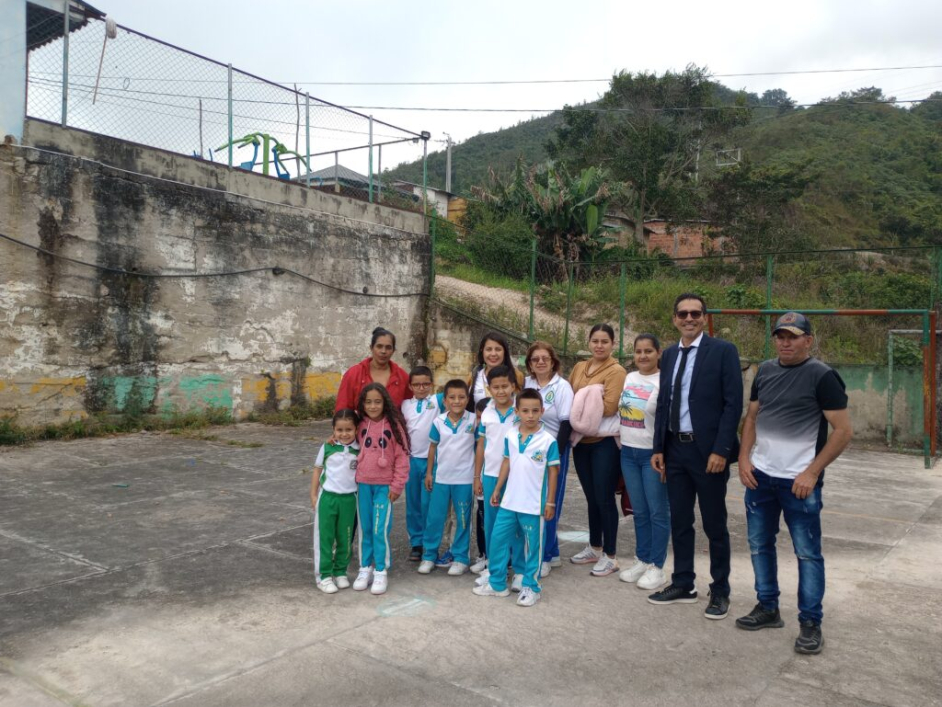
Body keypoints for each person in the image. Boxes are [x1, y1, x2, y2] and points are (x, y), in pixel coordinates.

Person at [736, 312, 853, 655]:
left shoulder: (823, 376)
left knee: (807, 553)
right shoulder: (766, 371)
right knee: (759, 544)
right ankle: (768, 607)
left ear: (808, 340)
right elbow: (753, 417)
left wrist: (812, 472)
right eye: (780, 336)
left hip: (799, 483)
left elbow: (843, 432)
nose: (785, 342)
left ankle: (811, 623)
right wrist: (744, 459)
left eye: (793, 336)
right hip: (760, 477)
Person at [650, 293, 743, 620]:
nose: (689, 318)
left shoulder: (723, 352)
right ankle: (684, 583)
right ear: (674, 318)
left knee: (715, 524)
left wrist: (722, 450)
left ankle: (720, 591)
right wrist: (659, 447)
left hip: (709, 454)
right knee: (680, 521)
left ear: (704, 317)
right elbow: (664, 402)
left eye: (695, 313)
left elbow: (733, 404)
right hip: (675, 450)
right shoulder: (671, 354)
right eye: (683, 314)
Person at [473, 389, 560, 607]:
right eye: (525, 411)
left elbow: (553, 473)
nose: (530, 415)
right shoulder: (511, 435)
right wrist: (497, 489)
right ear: (517, 411)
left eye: (534, 411)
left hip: (533, 505)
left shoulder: (548, 441)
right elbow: (506, 462)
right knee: (498, 540)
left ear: (542, 411)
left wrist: (550, 502)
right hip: (509, 501)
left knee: (532, 548)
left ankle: (531, 586)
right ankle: (497, 584)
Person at [568, 324, 627, 577]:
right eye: (595, 341)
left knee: (604, 498)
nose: (599, 345)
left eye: (604, 341)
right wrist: (587, 401)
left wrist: (582, 404)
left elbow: (610, 407)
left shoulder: (616, 371)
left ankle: (611, 555)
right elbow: (571, 397)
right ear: (589, 342)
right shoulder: (580, 367)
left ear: (613, 344)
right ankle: (594, 546)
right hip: (582, 441)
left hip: (604, 443)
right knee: (591, 497)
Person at [618, 334, 670, 591]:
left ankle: (657, 567)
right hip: (628, 452)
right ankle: (643, 558)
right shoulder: (630, 378)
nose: (643, 356)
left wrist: (664, 452)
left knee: (657, 511)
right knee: (639, 511)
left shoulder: (665, 380)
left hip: (653, 454)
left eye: (648, 351)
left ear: (659, 353)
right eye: (638, 351)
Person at [352, 383, 410, 596]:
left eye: (377, 401)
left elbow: (402, 457)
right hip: (363, 485)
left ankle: (380, 570)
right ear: (362, 404)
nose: (373, 406)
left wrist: (397, 485)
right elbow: (346, 440)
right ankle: (365, 567)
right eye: (368, 402)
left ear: (385, 402)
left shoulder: (394, 426)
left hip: (384, 487)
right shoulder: (360, 424)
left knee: (379, 529)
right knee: (365, 528)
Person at [523, 341, 574, 578]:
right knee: (533, 501)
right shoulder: (527, 383)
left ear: (553, 361)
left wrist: (556, 456)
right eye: (535, 359)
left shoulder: (562, 387)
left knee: (549, 502)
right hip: (530, 452)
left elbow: (566, 423)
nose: (540, 362)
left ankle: (543, 557)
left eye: (545, 358)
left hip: (553, 451)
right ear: (530, 365)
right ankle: (552, 553)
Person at [473, 366, 525, 590]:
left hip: (517, 478)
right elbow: (481, 445)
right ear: (489, 389)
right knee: (493, 526)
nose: (501, 391)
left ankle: (521, 572)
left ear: (513, 386)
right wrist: (477, 476)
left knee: (517, 526)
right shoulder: (487, 412)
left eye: (505, 386)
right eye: (496, 387)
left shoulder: (521, 410)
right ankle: (497, 569)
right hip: (491, 476)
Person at [419, 380, 477, 576]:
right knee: (435, 518)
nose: (457, 401)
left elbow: (480, 448)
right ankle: (429, 555)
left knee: (461, 519)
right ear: (445, 401)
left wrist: (478, 476)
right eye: (452, 397)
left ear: (467, 399)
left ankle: (460, 557)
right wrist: (429, 473)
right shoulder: (438, 422)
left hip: (465, 480)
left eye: (461, 397)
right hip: (441, 478)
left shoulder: (473, 421)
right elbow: (433, 447)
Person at [311, 409, 360, 594]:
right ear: (333, 430)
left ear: (356, 429)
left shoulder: (360, 448)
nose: (344, 434)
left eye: (349, 429)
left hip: (349, 500)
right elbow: (317, 469)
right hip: (328, 498)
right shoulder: (328, 446)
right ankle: (323, 576)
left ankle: (340, 571)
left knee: (345, 538)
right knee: (325, 538)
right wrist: (314, 496)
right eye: (339, 430)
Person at [401, 366, 443, 562]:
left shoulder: (436, 401)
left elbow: (461, 393)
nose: (421, 387)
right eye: (417, 384)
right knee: (413, 504)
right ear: (410, 386)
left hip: (431, 461)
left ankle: (430, 543)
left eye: (426, 383)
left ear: (431, 385)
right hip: (410, 460)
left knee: (429, 504)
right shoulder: (404, 404)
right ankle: (416, 543)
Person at [335, 327, 411, 411]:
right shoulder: (354, 374)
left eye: (388, 347)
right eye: (379, 346)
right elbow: (342, 408)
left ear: (393, 351)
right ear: (371, 348)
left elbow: (411, 408)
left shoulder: (402, 377)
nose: (383, 351)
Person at [466, 331, 525, 411]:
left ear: (505, 352)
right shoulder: (473, 376)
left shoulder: (517, 376)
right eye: (489, 349)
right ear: (482, 351)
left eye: (498, 349)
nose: (493, 354)